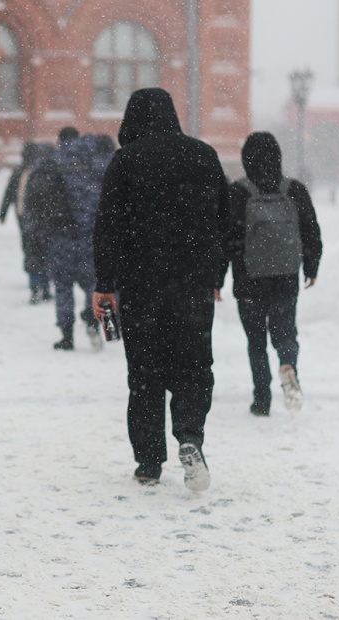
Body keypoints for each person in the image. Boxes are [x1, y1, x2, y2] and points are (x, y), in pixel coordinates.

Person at [92, 88, 228, 491]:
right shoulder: (204, 156)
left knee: (145, 370)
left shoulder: (126, 161)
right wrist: (215, 274)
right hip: (193, 284)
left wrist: (104, 284)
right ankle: (190, 435)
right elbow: (224, 221)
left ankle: (149, 461)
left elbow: (108, 224)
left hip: (141, 283)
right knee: (194, 365)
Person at [219, 131, 322, 417]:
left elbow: (226, 239)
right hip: (285, 275)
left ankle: (261, 399)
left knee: (256, 341)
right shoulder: (294, 190)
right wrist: (311, 266)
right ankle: (288, 365)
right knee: (285, 332)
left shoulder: (238, 192)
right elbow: (311, 230)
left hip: (249, 277)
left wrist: (217, 278)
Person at [25, 127, 101, 351]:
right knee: (94, 283)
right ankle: (93, 322)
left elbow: (32, 200)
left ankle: (66, 335)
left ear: (60, 141)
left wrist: (36, 232)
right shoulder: (95, 163)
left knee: (63, 286)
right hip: (91, 237)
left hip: (59, 237)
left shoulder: (48, 163)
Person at [0, 142, 52, 303]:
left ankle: (35, 286)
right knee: (45, 252)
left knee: (31, 252)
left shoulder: (20, 172)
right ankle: (44, 287)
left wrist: (3, 212)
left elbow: (9, 193)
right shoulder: (45, 172)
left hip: (26, 219)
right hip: (44, 220)